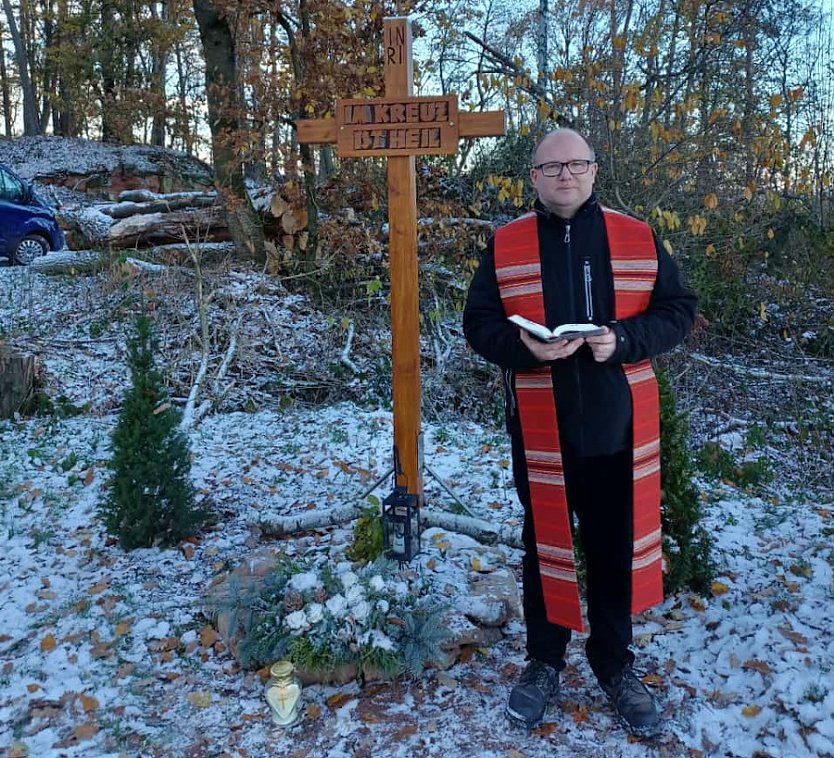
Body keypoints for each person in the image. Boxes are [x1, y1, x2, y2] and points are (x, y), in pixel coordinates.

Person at [463, 128, 696, 737]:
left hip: (619, 430)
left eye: (576, 164)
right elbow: (478, 324)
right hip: (543, 429)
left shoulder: (635, 235)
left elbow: (678, 311)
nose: (565, 175)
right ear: (534, 177)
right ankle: (544, 660)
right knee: (543, 548)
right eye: (551, 166)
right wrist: (525, 349)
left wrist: (621, 341)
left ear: (594, 171)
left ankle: (614, 664)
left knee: (613, 550)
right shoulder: (507, 243)